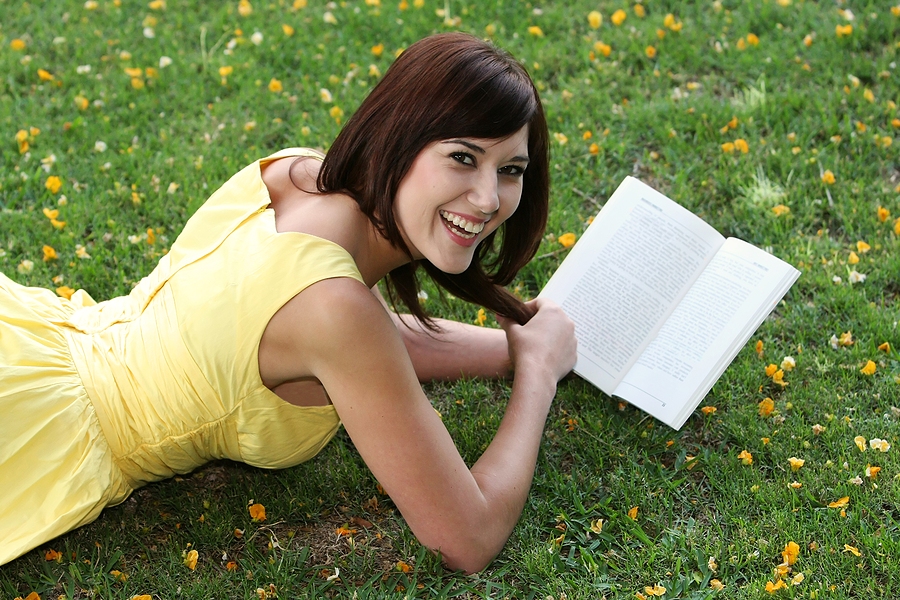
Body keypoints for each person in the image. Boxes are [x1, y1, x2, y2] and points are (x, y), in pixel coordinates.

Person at [0, 32, 576, 573]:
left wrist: (511, 349)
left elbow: (365, 346)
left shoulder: (297, 175)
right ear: (400, 137)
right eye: (462, 157)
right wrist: (538, 377)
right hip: (44, 432)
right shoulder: (335, 313)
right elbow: (466, 538)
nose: (486, 198)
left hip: (38, 349)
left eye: (511, 170)